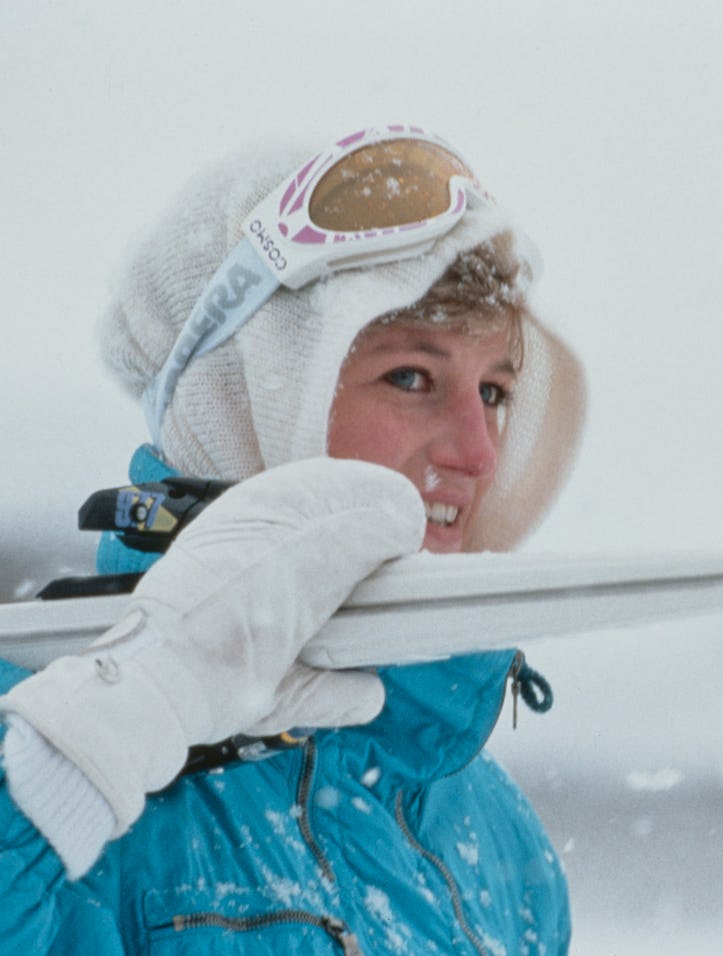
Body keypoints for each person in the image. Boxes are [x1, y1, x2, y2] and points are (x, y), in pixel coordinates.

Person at [0, 125, 585, 954]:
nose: (479, 451)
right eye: (411, 377)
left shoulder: (492, 830)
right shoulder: (28, 740)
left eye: (494, 390)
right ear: (244, 401)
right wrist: (103, 736)